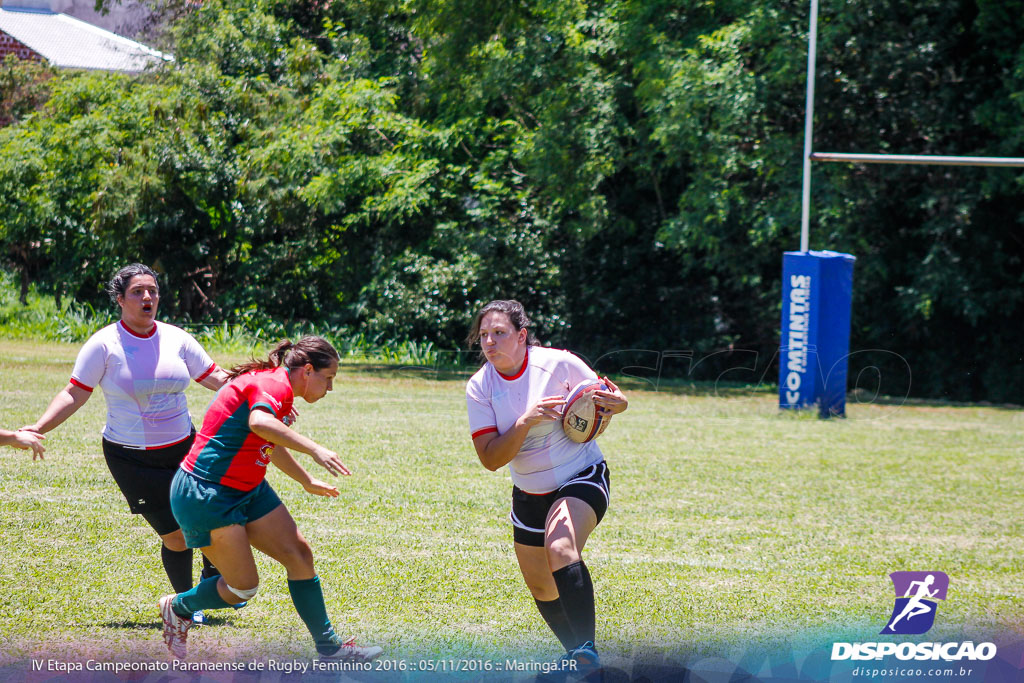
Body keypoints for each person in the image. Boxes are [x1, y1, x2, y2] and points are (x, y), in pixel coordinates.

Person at [158, 336, 382, 663]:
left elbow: (267, 440)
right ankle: (178, 607)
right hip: (208, 493)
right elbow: (260, 423)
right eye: (329, 378)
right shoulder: (273, 385)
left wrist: (306, 480)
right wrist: (315, 449)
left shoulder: (280, 390)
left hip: (247, 488)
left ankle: (329, 649)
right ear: (308, 370)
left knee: (300, 555)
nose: (330, 388)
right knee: (242, 589)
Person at [22, 264, 229, 600]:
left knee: (207, 520)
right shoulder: (104, 344)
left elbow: (216, 378)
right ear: (120, 299)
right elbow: (75, 392)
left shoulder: (176, 338)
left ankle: (211, 582)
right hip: (132, 460)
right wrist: (38, 427)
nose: (147, 297)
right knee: (176, 537)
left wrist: (261, 396)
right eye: (137, 292)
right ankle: (186, 604)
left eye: (153, 291)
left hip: (186, 449)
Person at [465, 300, 628, 674]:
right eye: (484, 335)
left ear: (521, 336)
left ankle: (586, 652)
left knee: (560, 545)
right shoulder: (480, 387)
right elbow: (490, 459)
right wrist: (525, 421)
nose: (490, 342)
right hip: (528, 493)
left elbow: (609, 398)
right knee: (541, 587)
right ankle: (583, 662)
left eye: (500, 333)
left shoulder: (558, 363)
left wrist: (617, 404)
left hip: (581, 474)